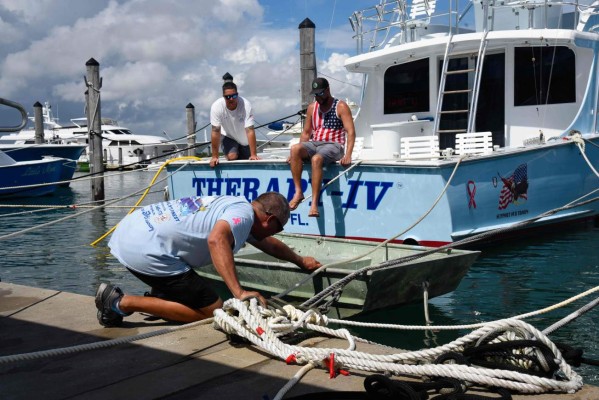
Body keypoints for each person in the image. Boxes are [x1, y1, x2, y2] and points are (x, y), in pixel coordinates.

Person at [95, 192, 321, 327]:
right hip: (147, 249)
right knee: (212, 310)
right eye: (277, 229)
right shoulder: (243, 216)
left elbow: (265, 243)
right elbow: (216, 240)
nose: (274, 234)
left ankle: (160, 296)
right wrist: (239, 292)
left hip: (133, 231)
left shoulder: (237, 207)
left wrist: (300, 260)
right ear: (269, 219)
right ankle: (117, 302)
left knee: (191, 289)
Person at [288, 77, 356, 217]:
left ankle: (314, 204)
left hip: (334, 145)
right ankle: (298, 192)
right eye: (315, 94)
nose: (318, 97)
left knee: (316, 159)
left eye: (320, 94)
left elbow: (351, 132)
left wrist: (348, 154)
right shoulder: (313, 107)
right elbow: (306, 133)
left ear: (328, 90)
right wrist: (296, 155)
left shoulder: (341, 106)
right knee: (295, 149)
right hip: (315, 143)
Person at [209, 81, 260, 167]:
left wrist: (254, 155)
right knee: (232, 156)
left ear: (237, 94)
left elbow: (250, 130)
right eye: (228, 97)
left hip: (244, 140)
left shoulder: (246, 105)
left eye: (234, 96)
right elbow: (215, 131)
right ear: (223, 97)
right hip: (228, 136)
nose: (231, 99)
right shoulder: (216, 106)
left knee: (247, 161)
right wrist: (214, 157)